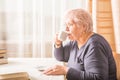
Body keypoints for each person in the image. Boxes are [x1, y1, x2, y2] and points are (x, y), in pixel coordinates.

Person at [43, 8, 117, 80]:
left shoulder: (94, 45)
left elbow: (98, 78)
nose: (66, 29)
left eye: (70, 24)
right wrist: (58, 43)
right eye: (65, 25)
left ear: (83, 26)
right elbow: (61, 57)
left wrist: (66, 70)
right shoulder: (76, 41)